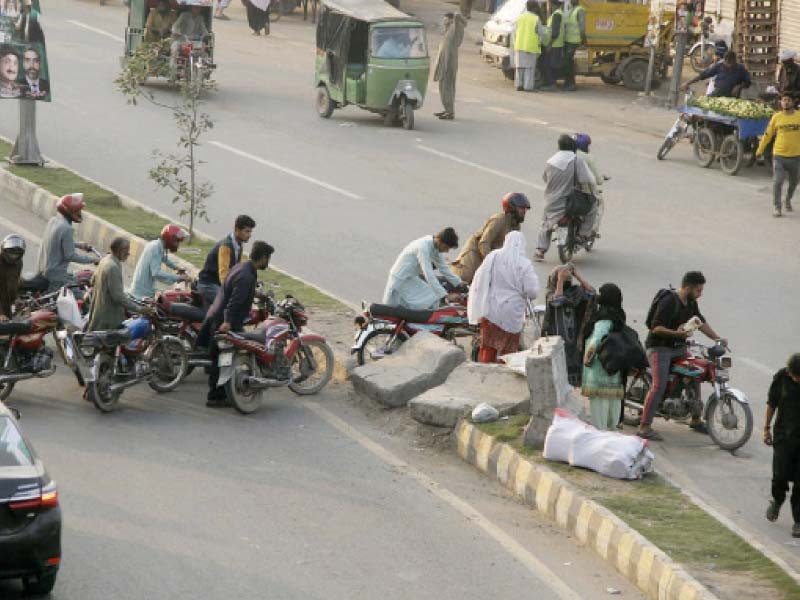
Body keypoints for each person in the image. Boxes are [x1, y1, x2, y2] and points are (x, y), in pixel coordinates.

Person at [638, 271, 727, 441]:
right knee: (658, 385)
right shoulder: (668, 301)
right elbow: (655, 328)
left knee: (695, 374)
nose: (700, 294)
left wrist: (717, 338)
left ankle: (695, 419)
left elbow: (699, 322)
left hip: (678, 347)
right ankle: (644, 426)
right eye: (698, 290)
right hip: (659, 348)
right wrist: (676, 334)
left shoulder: (691, 302)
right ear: (688, 287)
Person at [200, 241, 274, 407]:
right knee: (222, 358)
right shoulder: (246, 275)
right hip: (224, 321)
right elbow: (235, 301)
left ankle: (221, 394)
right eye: (268, 258)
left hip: (222, 317)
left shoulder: (244, 269)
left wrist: (258, 295)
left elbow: (239, 289)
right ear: (262, 257)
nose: (268, 262)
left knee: (223, 358)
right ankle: (216, 397)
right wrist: (227, 322)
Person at [468, 231, 540, 363]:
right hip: (511, 314)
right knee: (508, 351)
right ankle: (504, 376)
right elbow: (532, 291)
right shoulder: (524, 264)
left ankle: (485, 372)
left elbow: (480, 277)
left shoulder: (493, 257)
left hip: (491, 311)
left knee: (488, 346)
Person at [533, 134, 596, 261]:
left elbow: (545, 178)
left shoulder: (550, 161)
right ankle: (583, 235)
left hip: (551, 202)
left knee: (545, 223)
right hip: (570, 203)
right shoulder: (576, 161)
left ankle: (540, 250)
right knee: (593, 206)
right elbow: (587, 179)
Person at [451, 193, 530, 284]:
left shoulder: (515, 226)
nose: (524, 211)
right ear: (511, 207)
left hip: (490, 255)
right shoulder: (499, 220)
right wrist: (491, 263)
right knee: (463, 280)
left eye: (525, 209)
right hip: (475, 252)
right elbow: (484, 243)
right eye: (521, 208)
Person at [764, 353, 800, 538]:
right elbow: (772, 403)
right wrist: (766, 429)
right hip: (783, 436)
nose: (798, 380)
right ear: (790, 372)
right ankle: (777, 501)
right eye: (796, 376)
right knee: (780, 475)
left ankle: (798, 521)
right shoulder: (781, 379)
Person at [383, 228, 463, 310]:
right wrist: (446, 295)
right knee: (392, 309)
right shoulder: (423, 247)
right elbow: (428, 274)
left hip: (410, 278)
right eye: (446, 247)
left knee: (432, 296)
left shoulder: (435, 247)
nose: (447, 251)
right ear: (440, 241)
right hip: (399, 279)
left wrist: (459, 283)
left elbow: (443, 268)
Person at [541, 263, 594, 385]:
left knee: (573, 362)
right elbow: (557, 301)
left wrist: (578, 275)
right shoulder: (551, 293)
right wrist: (560, 280)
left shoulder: (576, 292)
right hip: (557, 337)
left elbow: (592, 294)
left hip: (574, 337)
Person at [582, 283, 626, 430]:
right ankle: (612, 430)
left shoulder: (603, 317)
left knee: (599, 403)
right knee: (613, 401)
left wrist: (587, 359)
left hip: (600, 365)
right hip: (614, 367)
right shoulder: (620, 315)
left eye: (601, 293)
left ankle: (600, 432)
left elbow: (596, 340)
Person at [36, 193, 99, 292]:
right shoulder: (67, 228)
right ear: (70, 212)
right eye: (78, 210)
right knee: (80, 298)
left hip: (43, 270)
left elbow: (56, 243)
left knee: (74, 277)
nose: (80, 213)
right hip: (55, 277)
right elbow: (70, 255)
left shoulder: (54, 221)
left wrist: (78, 245)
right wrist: (94, 260)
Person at [84, 237, 144, 332]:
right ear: (120, 250)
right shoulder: (112, 267)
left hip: (98, 312)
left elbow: (92, 281)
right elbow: (118, 297)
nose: (128, 254)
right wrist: (139, 309)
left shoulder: (105, 260)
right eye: (127, 250)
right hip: (108, 319)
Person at [757, 93, 800, 217]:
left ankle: (787, 199)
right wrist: (759, 150)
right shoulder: (776, 117)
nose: (786, 102)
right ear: (781, 102)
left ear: (793, 102)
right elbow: (767, 135)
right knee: (778, 182)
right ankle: (777, 207)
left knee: (793, 183)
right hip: (779, 155)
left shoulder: (799, 116)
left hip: (796, 156)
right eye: (784, 100)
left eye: (788, 100)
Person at [197, 214, 255, 306]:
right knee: (230, 304)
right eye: (247, 231)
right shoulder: (226, 246)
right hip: (208, 285)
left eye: (250, 232)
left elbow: (237, 269)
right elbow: (223, 275)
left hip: (218, 285)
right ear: (236, 230)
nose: (249, 235)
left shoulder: (238, 245)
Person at [129, 225, 191, 300]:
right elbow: (156, 273)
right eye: (177, 241)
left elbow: (164, 258)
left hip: (145, 289)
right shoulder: (155, 248)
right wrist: (178, 278)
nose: (178, 244)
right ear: (170, 239)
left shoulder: (157, 245)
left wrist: (177, 267)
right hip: (141, 294)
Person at [433, 13, 467, 121]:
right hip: (443, 63)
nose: (444, 21)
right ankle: (447, 109)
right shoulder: (447, 30)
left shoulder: (454, 30)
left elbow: (462, 22)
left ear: (451, 20)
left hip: (449, 64)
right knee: (443, 87)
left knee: (447, 87)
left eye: (446, 19)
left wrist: (457, 17)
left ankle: (450, 112)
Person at [574, 133, 606, 237]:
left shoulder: (567, 155)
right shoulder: (588, 158)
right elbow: (598, 179)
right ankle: (591, 231)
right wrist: (601, 179)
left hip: (566, 190)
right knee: (598, 204)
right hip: (584, 192)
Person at [682, 51, 751, 98]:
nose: (729, 66)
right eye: (727, 63)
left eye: (731, 64)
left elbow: (748, 82)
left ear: (735, 61)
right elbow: (703, 75)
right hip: (716, 95)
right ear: (724, 61)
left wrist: (739, 86)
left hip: (732, 98)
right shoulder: (719, 66)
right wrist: (687, 83)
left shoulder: (741, 68)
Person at [512, 1, 545, 92]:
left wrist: (515, 43)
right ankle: (528, 87)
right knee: (529, 68)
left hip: (519, 45)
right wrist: (539, 42)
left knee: (519, 67)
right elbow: (541, 33)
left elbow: (514, 32)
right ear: (534, 8)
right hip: (531, 47)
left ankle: (519, 85)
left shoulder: (519, 17)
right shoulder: (536, 18)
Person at [171, 5, 209, 72]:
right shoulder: (184, 15)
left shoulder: (200, 18)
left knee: (204, 53)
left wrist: (204, 36)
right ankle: (173, 71)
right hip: (182, 39)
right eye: (195, 7)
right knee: (174, 48)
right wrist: (176, 32)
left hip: (195, 41)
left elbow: (204, 31)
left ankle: (205, 72)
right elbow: (175, 26)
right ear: (191, 8)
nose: (197, 9)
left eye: (198, 8)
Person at [540, 0, 565, 91]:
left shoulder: (556, 15)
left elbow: (555, 33)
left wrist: (549, 45)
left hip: (555, 44)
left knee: (549, 65)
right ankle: (551, 83)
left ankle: (551, 84)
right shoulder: (558, 13)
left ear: (553, 4)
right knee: (552, 64)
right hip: (557, 44)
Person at [562, 0, 586, 92]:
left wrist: (583, 40)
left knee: (568, 62)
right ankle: (568, 82)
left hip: (574, 41)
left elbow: (582, 27)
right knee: (568, 62)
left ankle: (571, 84)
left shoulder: (580, 10)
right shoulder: (571, 10)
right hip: (568, 40)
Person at [0, 234, 25, 322]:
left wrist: (16, 298)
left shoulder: (18, 264)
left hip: (6, 306)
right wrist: (1, 314)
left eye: (17, 254)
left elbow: (13, 284)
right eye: (11, 253)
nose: (14, 256)